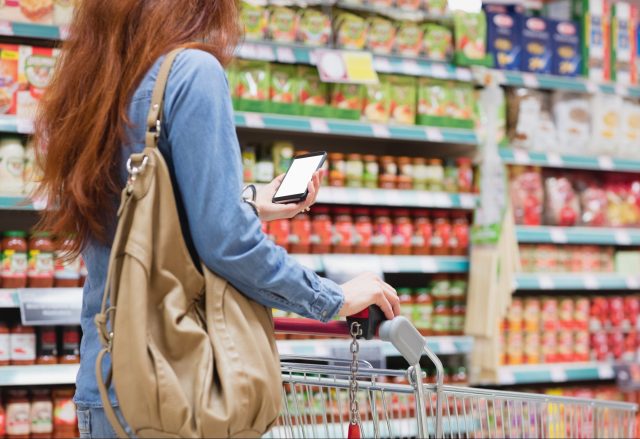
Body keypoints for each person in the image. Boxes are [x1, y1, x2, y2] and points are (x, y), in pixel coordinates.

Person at [33, 1, 400, 437]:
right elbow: (228, 243)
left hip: (107, 385)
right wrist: (333, 297)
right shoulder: (193, 71)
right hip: (177, 388)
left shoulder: (95, 80)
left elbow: (140, 217)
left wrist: (246, 200)